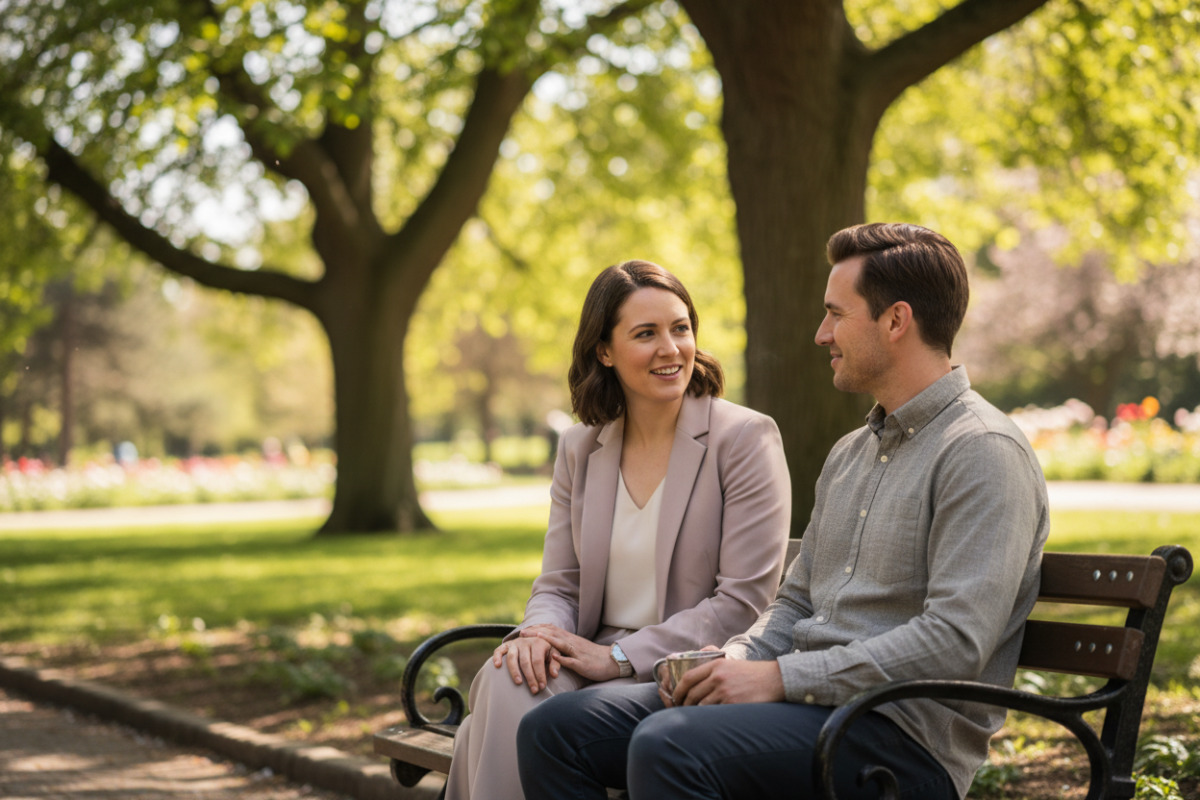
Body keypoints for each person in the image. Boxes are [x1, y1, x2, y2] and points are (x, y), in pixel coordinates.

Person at [516, 223, 1050, 800]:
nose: (822, 334)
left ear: (896, 321)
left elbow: (955, 641)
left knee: (668, 744)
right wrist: (734, 660)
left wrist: (778, 678)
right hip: (801, 704)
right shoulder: (852, 453)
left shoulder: (981, 451)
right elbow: (795, 601)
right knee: (556, 730)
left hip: (898, 738)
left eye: (836, 314)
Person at [444, 259, 792, 800]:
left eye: (680, 328)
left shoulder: (744, 438)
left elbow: (743, 603)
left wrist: (619, 659)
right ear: (604, 350)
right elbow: (559, 583)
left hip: (683, 670)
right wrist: (538, 636)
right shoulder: (581, 446)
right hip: (590, 657)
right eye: (646, 333)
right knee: (507, 674)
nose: (670, 349)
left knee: (485, 726)